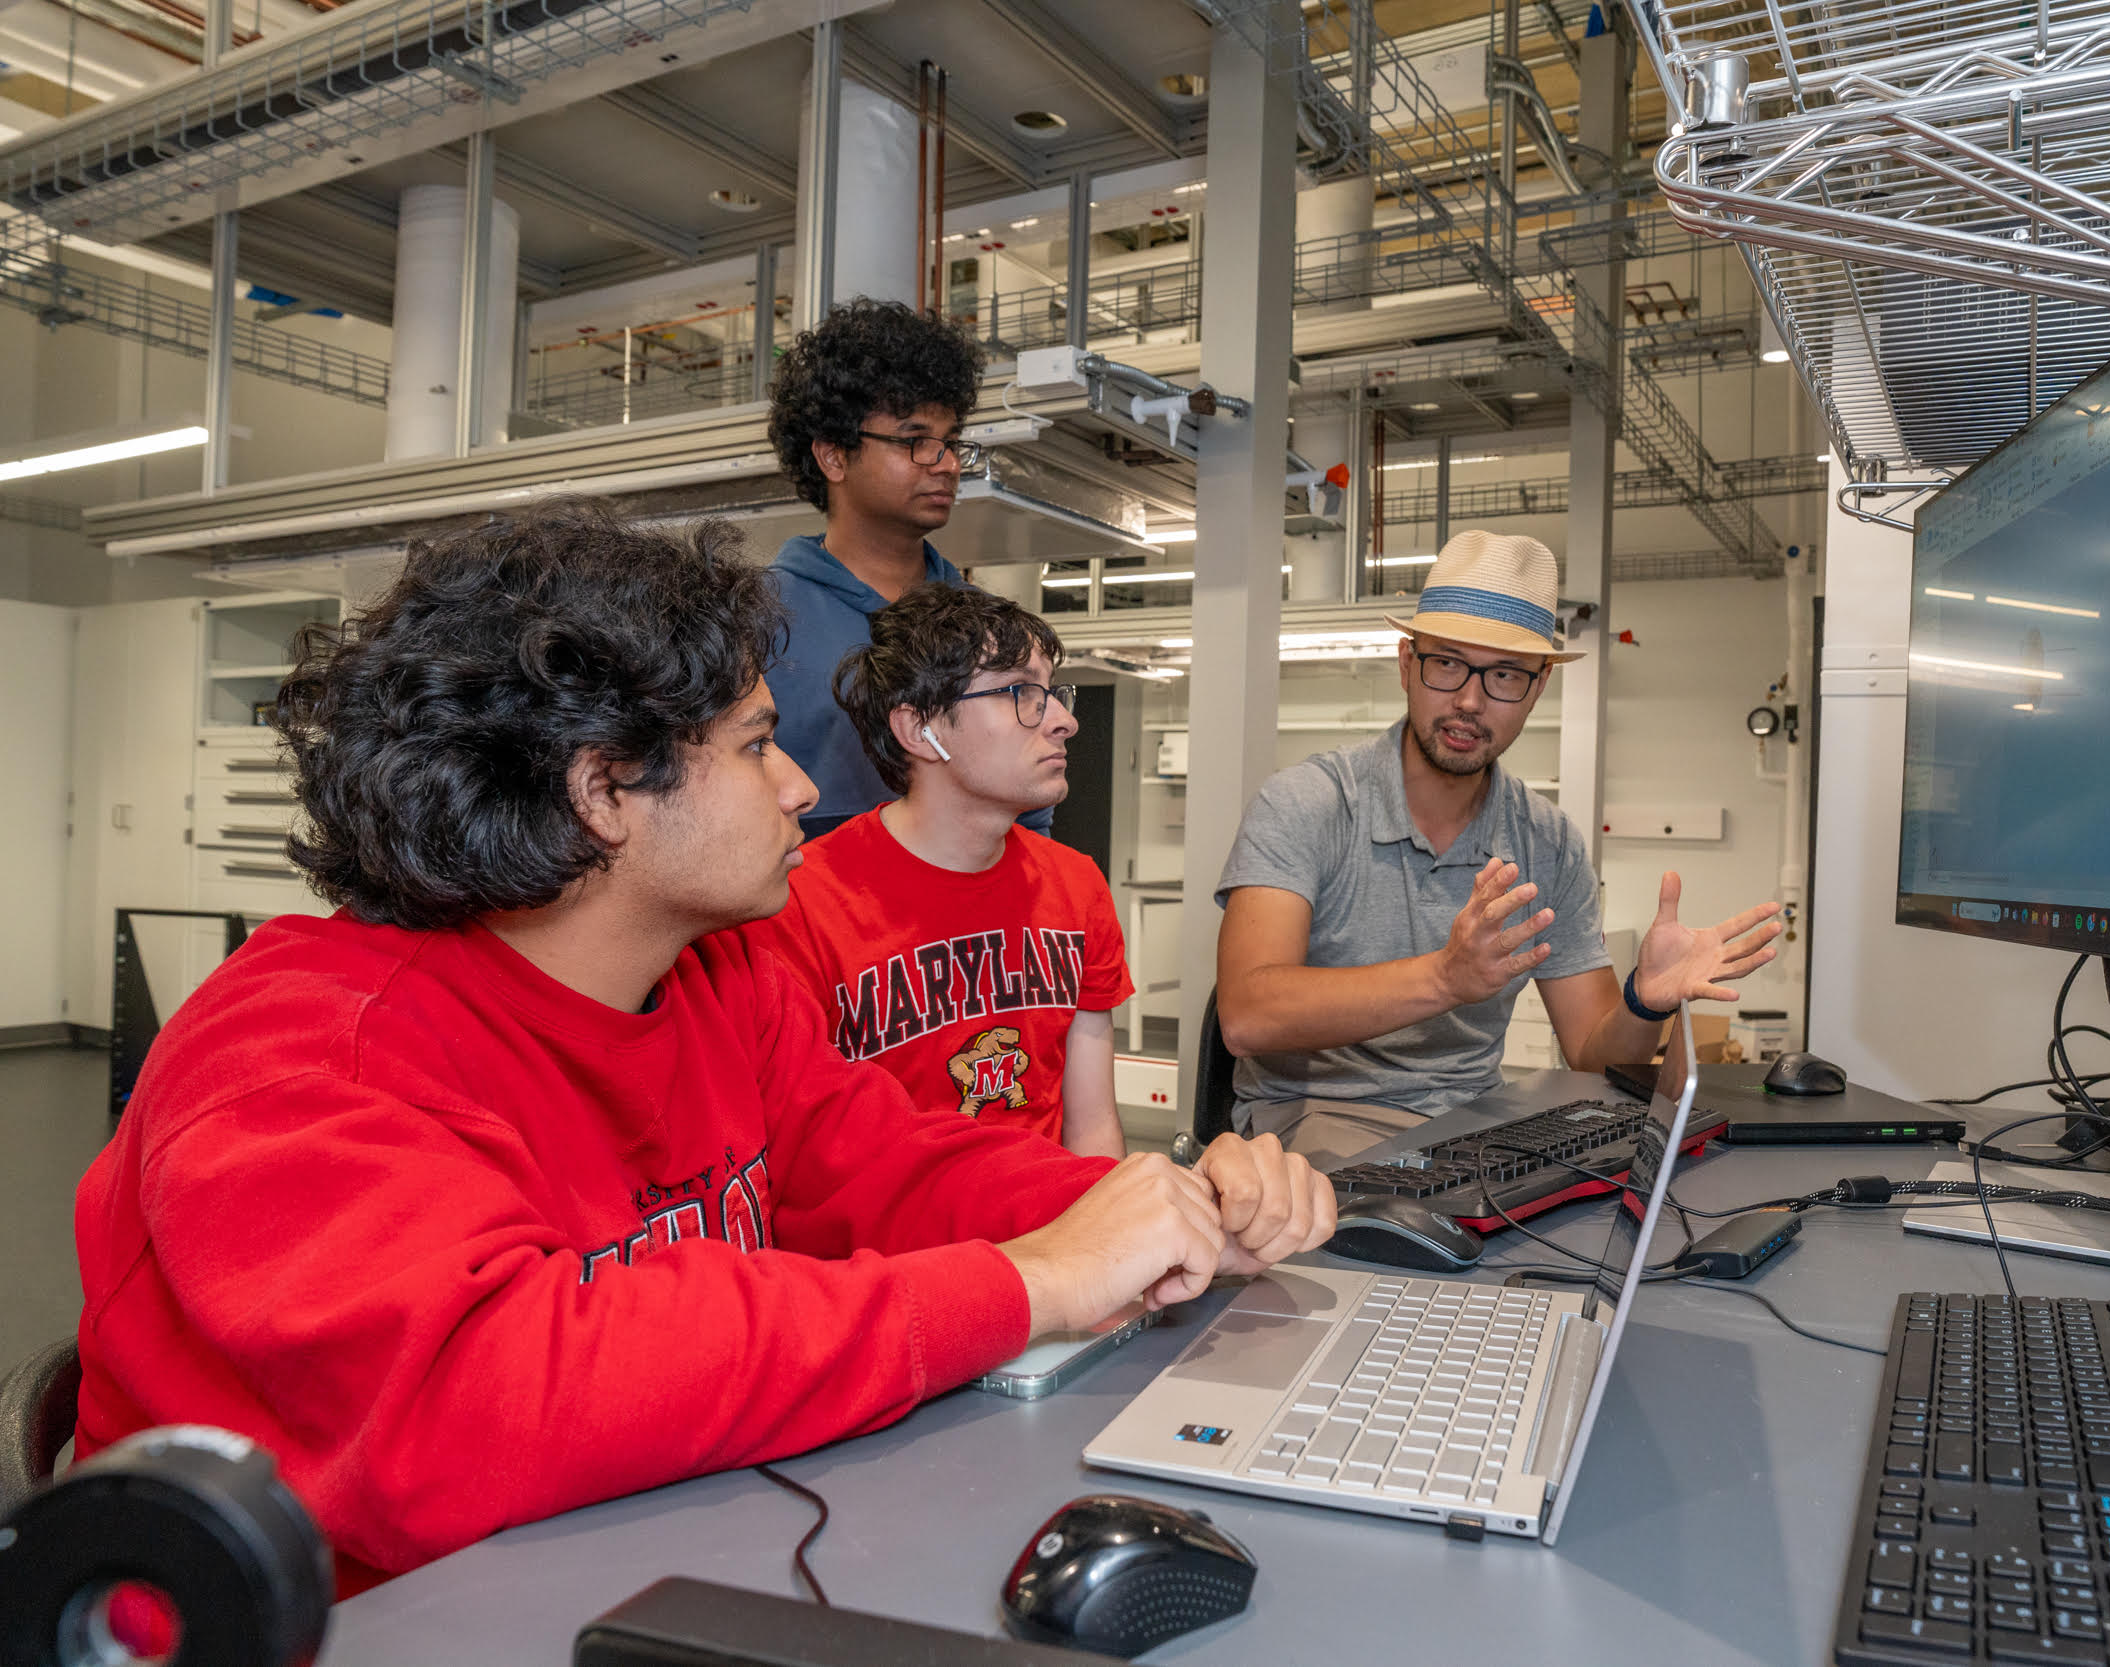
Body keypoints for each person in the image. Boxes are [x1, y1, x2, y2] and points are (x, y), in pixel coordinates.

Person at [71, 502, 1333, 1596]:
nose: (797, 786)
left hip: (638, 1546)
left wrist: (1145, 1203)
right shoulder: (301, 1048)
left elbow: (883, 1164)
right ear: (600, 788)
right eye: (753, 743)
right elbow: (487, 1395)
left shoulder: (717, 977)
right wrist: (1032, 1283)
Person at [1213, 529, 1784, 1162]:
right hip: (1315, 1118)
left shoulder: (1546, 840)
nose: (1468, 700)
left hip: (1477, 1125)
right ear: (1408, 664)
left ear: (1537, 689)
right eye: (1448, 663)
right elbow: (1247, 1016)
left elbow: (1594, 1055)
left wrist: (1642, 1002)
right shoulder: (1307, 805)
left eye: (1505, 675)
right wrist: (1444, 978)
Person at [737, 585, 1128, 1158]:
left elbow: (1093, 1133)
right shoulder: (799, 907)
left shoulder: (1077, 886)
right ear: (920, 731)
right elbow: (803, 1155)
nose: (1064, 721)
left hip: (1051, 1228)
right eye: (1022, 691)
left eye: (1054, 692)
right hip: (894, 1242)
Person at [762, 297, 1048, 839]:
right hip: (805, 914)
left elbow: (1030, 812)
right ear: (834, 457)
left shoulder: (990, 627)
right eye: (915, 441)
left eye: (951, 443)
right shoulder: (755, 620)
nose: (944, 464)